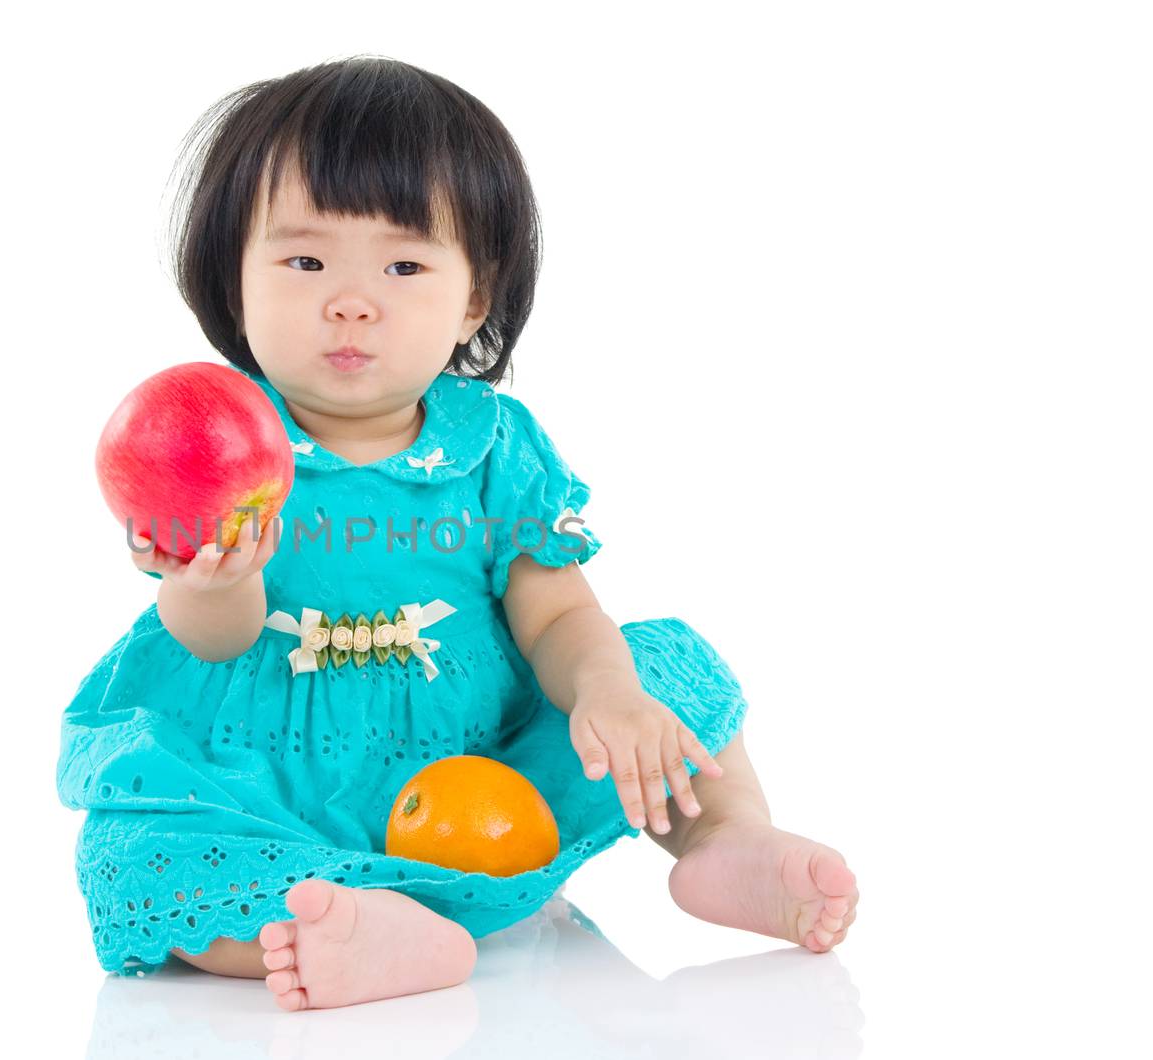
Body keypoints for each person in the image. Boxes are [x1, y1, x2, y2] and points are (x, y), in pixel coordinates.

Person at [56, 55, 858, 1012]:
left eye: (404, 265)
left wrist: (606, 692)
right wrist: (216, 581)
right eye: (305, 261)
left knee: (662, 683)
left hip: (483, 778)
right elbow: (212, 637)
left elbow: (556, 611)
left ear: (474, 298)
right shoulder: (221, 441)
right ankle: (359, 931)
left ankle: (726, 840)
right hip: (266, 781)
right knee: (137, 855)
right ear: (236, 278)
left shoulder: (497, 448)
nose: (352, 301)